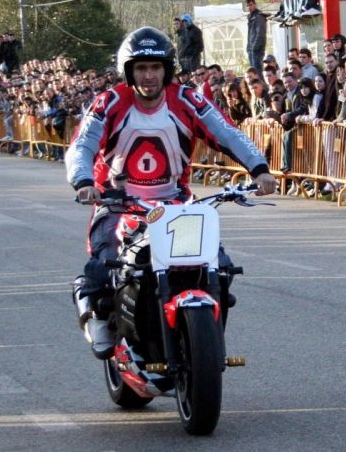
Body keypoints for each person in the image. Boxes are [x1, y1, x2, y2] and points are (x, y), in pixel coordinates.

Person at [65, 27, 276, 359]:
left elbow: (226, 133)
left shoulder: (188, 98)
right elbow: (82, 146)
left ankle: (203, 342)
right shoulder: (109, 102)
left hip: (176, 205)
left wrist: (260, 169)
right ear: (128, 71)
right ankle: (96, 312)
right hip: (118, 203)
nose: (149, 76)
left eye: (156, 68)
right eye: (141, 68)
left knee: (220, 268)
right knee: (105, 264)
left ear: (167, 70)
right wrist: (83, 181)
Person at [246, 0, 267, 73]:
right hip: (251, 49)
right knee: (253, 72)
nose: (249, 7)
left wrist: (254, 47)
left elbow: (260, 33)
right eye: (247, 5)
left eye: (251, 5)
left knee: (257, 73)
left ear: (255, 4)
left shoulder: (259, 16)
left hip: (257, 49)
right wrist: (249, 48)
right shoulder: (251, 17)